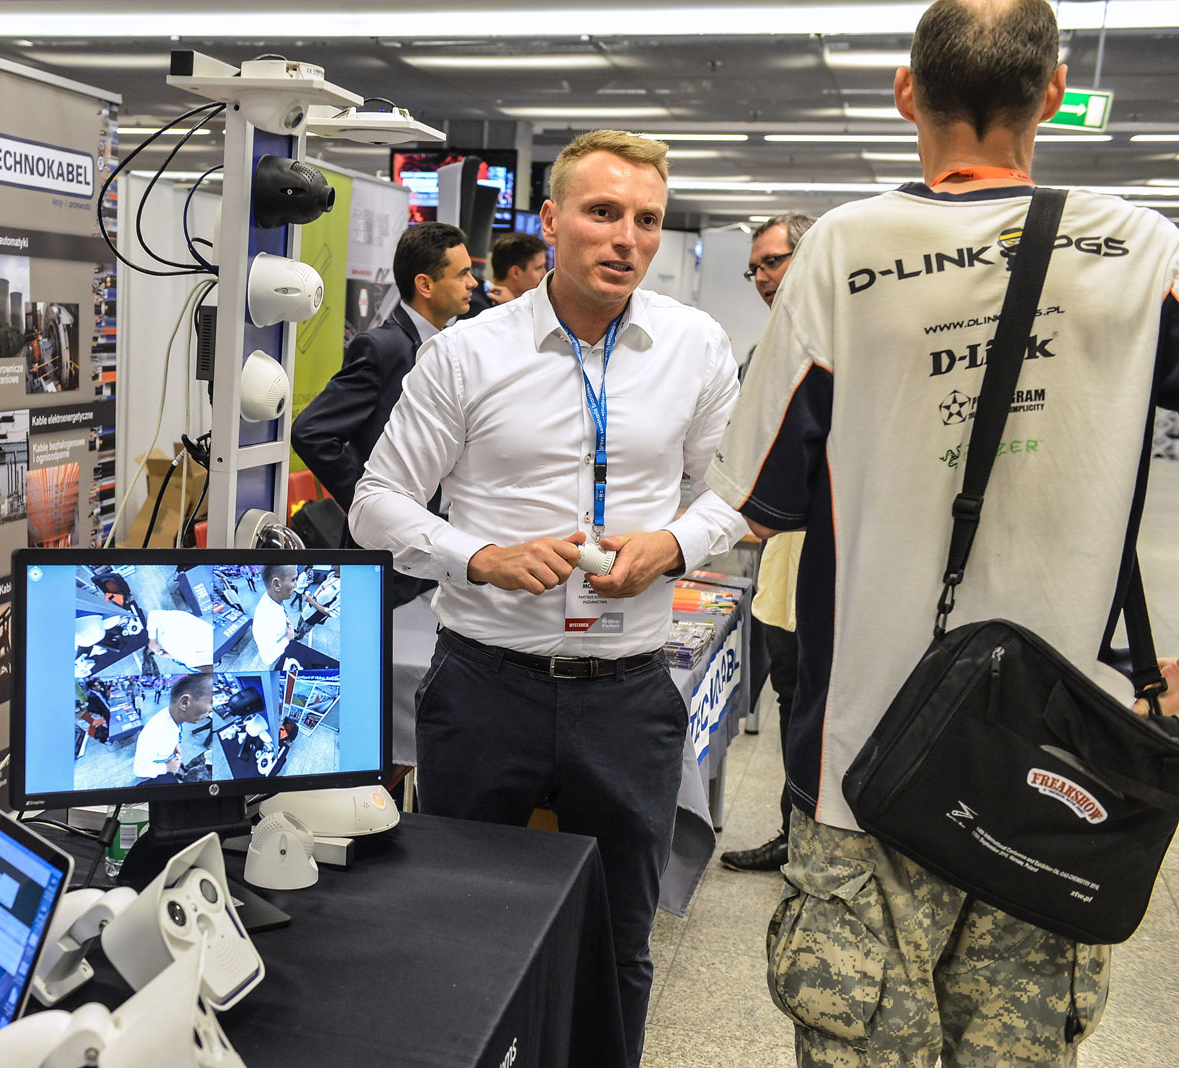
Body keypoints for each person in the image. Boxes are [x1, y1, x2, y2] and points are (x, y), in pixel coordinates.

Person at [706, 2, 1179, 1064]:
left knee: (862, 1040)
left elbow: (757, 488)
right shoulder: (1144, 249)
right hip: (1061, 754)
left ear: (906, 93)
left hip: (869, 753)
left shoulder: (845, 245)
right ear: (1052, 94)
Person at [350, 129, 747, 1065]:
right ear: (551, 220)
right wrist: (477, 553)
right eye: (603, 213)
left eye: (646, 220)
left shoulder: (694, 345)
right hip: (487, 685)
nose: (627, 239)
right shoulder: (466, 354)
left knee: (618, 940)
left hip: (628, 691)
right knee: (456, 928)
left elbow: (735, 489)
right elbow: (377, 504)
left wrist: (677, 542)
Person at [291, 222, 476, 607]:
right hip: (387, 550)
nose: (473, 283)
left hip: (439, 543)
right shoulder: (382, 348)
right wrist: (371, 497)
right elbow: (312, 432)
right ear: (425, 285)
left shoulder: (456, 347)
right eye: (462, 274)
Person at [718, 210, 815, 875]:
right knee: (791, 699)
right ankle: (794, 833)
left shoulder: (854, 346)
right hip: (782, 566)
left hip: (841, 568)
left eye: (773, 262)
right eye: (754, 267)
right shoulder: (765, 353)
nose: (761, 278)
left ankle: (828, 844)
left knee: (830, 706)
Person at [250, 564, 337, 670]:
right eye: (293, 580)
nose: (296, 585)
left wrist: (284, 618)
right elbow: (268, 658)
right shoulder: (266, 621)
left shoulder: (271, 598)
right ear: (277, 585)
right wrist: (287, 639)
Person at [131, 671, 213, 782]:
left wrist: (175, 745)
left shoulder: (174, 718)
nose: (212, 709)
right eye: (211, 702)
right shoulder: (153, 735)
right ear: (184, 703)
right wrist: (166, 767)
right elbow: (139, 770)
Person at [485, 231, 551, 306]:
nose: (544, 274)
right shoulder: (478, 306)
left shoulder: (530, 304)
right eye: (538, 268)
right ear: (515, 273)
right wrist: (511, 307)